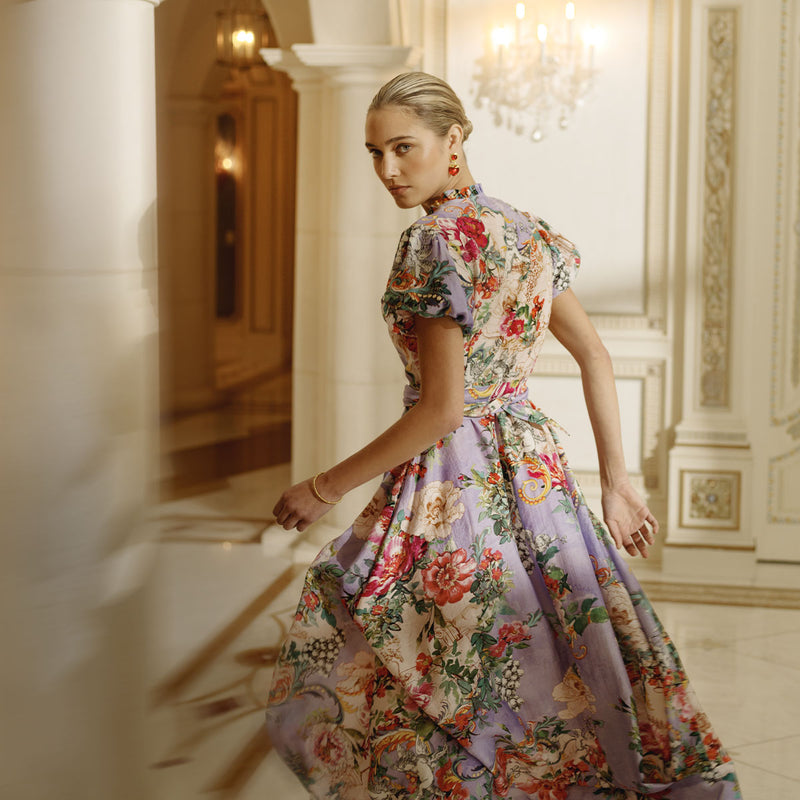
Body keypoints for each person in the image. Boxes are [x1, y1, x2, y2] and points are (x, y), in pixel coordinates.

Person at [265, 72, 741, 799]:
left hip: (455, 479)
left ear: (453, 141)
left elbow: (443, 411)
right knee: (543, 644)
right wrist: (615, 479)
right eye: (374, 153)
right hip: (535, 472)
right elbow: (596, 354)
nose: (388, 170)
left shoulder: (432, 242)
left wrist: (323, 486)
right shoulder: (530, 234)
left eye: (404, 148)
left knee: (430, 645)